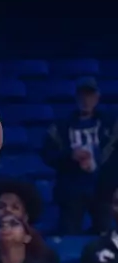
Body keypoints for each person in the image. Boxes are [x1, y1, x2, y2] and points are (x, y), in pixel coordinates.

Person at [42, 76, 113, 235]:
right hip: (71, 189)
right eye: (82, 96)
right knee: (69, 233)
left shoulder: (109, 123)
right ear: (76, 97)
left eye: (90, 95)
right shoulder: (61, 125)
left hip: (102, 188)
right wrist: (70, 156)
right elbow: (47, 154)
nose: (86, 100)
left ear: (97, 97)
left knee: (105, 233)